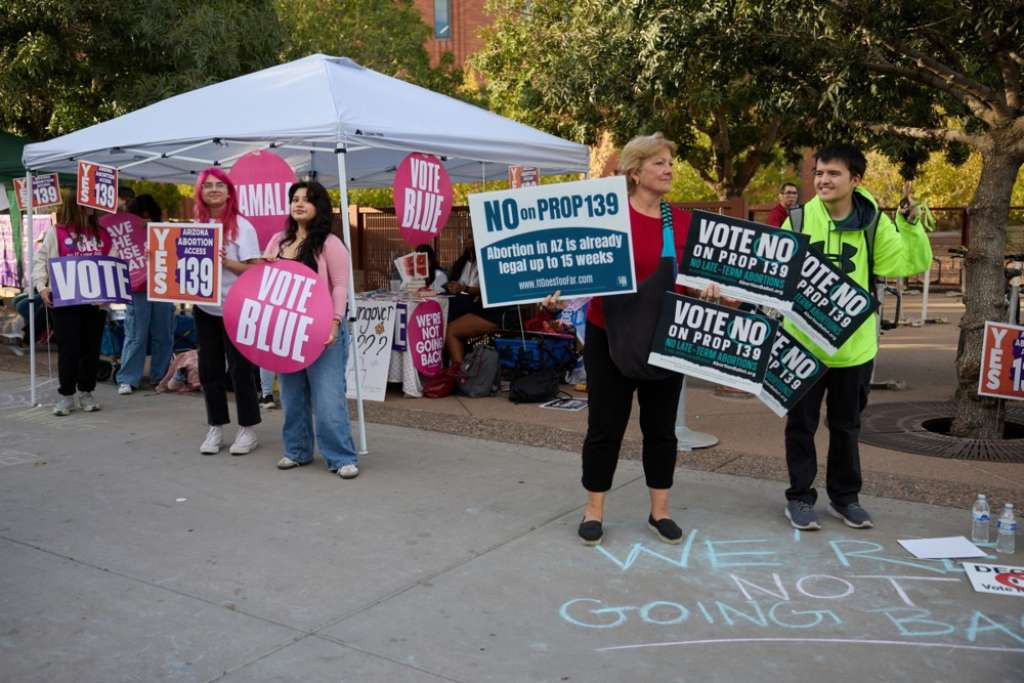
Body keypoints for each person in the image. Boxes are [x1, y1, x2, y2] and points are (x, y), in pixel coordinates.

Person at [569, 132, 719, 547]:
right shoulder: (606, 217)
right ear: (635, 172)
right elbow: (576, 271)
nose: (669, 169)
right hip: (608, 334)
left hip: (665, 339)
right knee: (604, 427)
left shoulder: (683, 222)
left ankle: (660, 512)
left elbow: (698, 277)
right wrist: (554, 292)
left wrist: (707, 287)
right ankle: (593, 510)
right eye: (658, 162)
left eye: (670, 162)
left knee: (661, 430)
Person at [780, 143, 932, 531]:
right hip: (804, 346)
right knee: (801, 427)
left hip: (854, 348)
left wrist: (911, 225)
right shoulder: (797, 219)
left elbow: (908, 263)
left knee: (846, 428)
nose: (823, 180)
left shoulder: (873, 222)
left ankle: (845, 498)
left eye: (833, 173)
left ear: (855, 179)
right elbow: (776, 274)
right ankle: (799, 497)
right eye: (819, 173)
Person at [264, 182, 359, 479]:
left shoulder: (330, 243)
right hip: (288, 331)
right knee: (292, 396)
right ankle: (297, 451)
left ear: (320, 206)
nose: (299, 204)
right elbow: (264, 280)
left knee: (329, 397)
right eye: (295, 199)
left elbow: (341, 286)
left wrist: (334, 322)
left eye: (307, 199)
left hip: (323, 331)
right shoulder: (278, 241)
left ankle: (341, 456)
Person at [192, 168, 263, 456]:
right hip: (204, 308)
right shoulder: (195, 225)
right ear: (200, 192)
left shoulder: (243, 227)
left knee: (240, 370)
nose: (213, 190)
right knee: (209, 370)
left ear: (230, 191)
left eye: (219, 185)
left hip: (236, 307)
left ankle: (248, 429)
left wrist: (227, 262)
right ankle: (216, 427)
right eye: (207, 185)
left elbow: (256, 268)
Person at [33, 193, 119, 416]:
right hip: (64, 302)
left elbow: (113, 261)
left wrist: (109, 293)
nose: (92, 206)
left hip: (95, 304)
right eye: (87, 202)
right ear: (75, 204)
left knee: (90, 350)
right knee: (69, 349)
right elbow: (40, 261)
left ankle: (86, 392)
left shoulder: (103, 234)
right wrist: (42, 287)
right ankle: (66, 396)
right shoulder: (56, 232)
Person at [117, 194, 176, 394]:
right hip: (143, 289)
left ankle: (153, 376)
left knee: (158, 334)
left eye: (148, 217)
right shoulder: (126, 234)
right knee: (138, 334)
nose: (144, 220)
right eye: (141, 217)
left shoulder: (164, 230)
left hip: (161, 287)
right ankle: (132, 377)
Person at [443, 236, 515, 365]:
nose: (467, 240)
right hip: (481, 309)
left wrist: (465, 288)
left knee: (451, 330)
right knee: (450, 319)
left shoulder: (493, 262)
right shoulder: (466, 261)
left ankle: (459, 373)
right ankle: (456, 367)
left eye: (472, 237)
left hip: (493, 314)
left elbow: (489, 289)